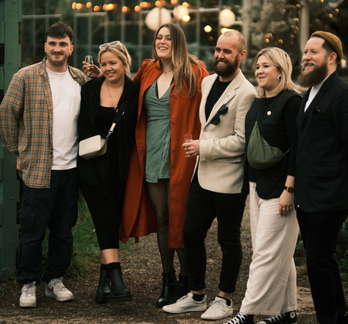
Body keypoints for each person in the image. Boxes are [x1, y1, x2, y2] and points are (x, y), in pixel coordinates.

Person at [162, 30, 257, 320]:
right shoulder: (206, 81)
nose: (220, 55)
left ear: (241, 55)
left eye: (228, 51)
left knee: (228, 241)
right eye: (217, 49)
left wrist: (203, 147)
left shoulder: (248, 92)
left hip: (229, 179)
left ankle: (225, 299)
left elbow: (241, 141)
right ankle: (196, 294)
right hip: (202, 176)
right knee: (190, 233)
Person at [213, 47, 301, 324]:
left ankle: (247, 314)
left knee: (263, 252)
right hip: (257, 186)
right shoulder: (257, 102)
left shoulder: (291, 102)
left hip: (281, 189)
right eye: (258, 66)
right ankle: (287, 310)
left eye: (267, 66)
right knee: (279, 251)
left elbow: (298, 149)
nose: (260, 70)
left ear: (281, 70)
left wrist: (290, 187)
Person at [120, 23, 209, 307]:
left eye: (168, 38)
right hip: (152, 151)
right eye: (159, 37)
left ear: (178, 42)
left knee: (180, 218)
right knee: (161, 217)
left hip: (182, 154)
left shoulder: (195, 72)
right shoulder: (148, 69)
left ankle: (189, 281)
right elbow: (126, 92)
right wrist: (101, 77)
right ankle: (168, 279)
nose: (162, 41)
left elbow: (214, 104)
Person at [0, 21, 87, 308]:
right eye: (52, 43)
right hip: (37, 167)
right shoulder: (26, 77)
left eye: (63, 44)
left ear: (71, 48)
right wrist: (16, 151)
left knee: (63, 229)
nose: (57, 48)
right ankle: (28, 283)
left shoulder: (79, 80)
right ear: (45, 46)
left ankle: (55, 280)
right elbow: (7, 111)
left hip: (71, 168)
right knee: (33, 228)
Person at [295, 31, 348, 324]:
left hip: (330, 194)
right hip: (309, 193)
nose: (306, 56)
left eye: (313, 52)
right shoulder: (311, 91)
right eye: (305, 51)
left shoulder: (344, 95)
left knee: (318, 262)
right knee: (325, 260)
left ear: (332, 56)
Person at [78, 41, 139, 303]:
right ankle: (116, 275)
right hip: (92, 166)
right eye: (103, 64)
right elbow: (83, 125)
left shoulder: (135, 91)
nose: (107, 68)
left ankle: (103, 283)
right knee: (103, 215)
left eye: (113, 63)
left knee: (112, 217)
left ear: (124, 63)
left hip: (123, 167)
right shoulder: (90, 89)